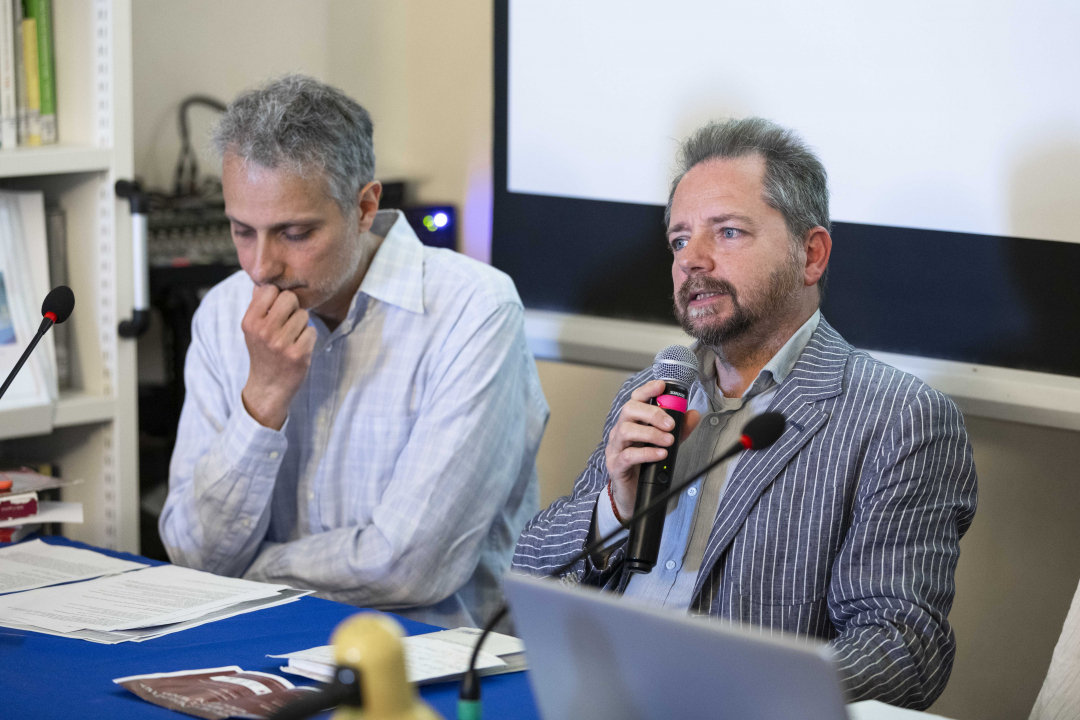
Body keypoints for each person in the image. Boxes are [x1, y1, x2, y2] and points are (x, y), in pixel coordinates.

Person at [513, 117, 978, 708]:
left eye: (727, 232)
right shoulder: (656, 392)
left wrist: (734, 696)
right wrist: (616, 508)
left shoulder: (899, 418)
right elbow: (523, 578)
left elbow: (902, 647)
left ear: (811, 255)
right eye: (679, 241)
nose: (693, 261)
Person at [160, 75, 548, 630]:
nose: (260, 267)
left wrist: (250, 572)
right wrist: (263, 401)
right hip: (247, 648)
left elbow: (412, 567)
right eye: (242, 230)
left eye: (294, 233)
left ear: (365, 206)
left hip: (432, 665)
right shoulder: (223, 312)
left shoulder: (474, 311)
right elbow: (191, 555)